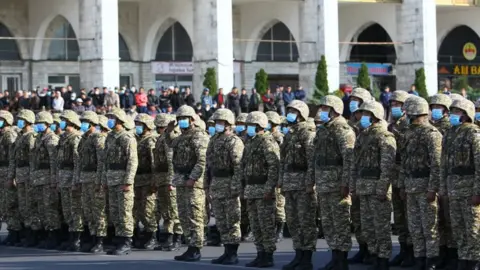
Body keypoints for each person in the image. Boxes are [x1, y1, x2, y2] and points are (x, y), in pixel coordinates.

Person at [351, 100, 396, 270]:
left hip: (377, 188)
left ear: (376, 116)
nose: (363, 117)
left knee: (381, 226)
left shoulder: (385, 136)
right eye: (362, 114)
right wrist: (354, 185)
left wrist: (382, 188)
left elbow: (387, 166)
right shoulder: (363, 135)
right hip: (364, 187)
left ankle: (383, 259)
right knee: (368, 226)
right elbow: (355, 164)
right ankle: (374, 255)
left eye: (367, 114)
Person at [313, 95, 355, 270]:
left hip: (338, 184)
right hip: (323, 183)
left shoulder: (343, 130)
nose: (322, 111)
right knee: (328, 223)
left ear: (335, 110)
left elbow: (349, 160)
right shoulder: (323, 130)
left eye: (325, 108)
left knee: (340, 222)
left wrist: (346, 183)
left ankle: (342, 259)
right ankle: (334, 255)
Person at [400, 96, 442, 270]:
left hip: (426, 186)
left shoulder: (432, 134)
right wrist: (402, 184)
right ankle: (419, 257)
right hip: (411, 186)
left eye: (408, 111)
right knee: (415, 227)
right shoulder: (408, 133)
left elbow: (436, 164)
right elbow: (404, 161)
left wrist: (433, 189)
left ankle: (431, 260)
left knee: (429, 227)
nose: (406, 115)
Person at [440, 98, 480, 270]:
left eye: (457, 111)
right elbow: (444, 164)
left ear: (465, 114)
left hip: (470, 188)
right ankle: (463, 258)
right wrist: (443, 188)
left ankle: (474, 261)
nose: (453, 114)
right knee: (457, 227)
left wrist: (477, 191)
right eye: (453, 110)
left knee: (472, 228)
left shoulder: (474, 134)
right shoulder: (450, 133)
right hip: (453, 188)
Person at [167, 105, 209, 262]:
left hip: (192, 182)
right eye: (179, 119)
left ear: (192, 119)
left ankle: (196, 248)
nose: (182, 121)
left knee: (194, 215)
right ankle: (190, 246)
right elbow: (171, 143)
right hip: (180, 180)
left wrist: (193, 178)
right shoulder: (181, 137)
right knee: (183, 215)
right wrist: (170, 130)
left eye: (184, 118)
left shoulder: (199, 136)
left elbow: (202, 160)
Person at [279, 100, 317, 270]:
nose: (290, 114)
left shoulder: (308, 133)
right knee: (293, 221)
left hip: (303, 184)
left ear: (301, 114)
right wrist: (281, 180)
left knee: (305, 221)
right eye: (289, 110)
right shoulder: (289, 134)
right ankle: (298, 254)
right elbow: (283, 160)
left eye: (294, 111)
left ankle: (307, 258)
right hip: (289, 182)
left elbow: (311, 161)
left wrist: (310, 182)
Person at [242, 111, 280, 268]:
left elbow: (274, 166)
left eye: (250, 125)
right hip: (251, 188)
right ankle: (260, 254)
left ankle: (268, 256)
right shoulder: (250, 142)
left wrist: (269, 188)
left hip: (263, 189)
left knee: (266, 225)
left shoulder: (267, 142)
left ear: (258, 125)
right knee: (255, 225)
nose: (247, 128)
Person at [207, 109, 244, 265]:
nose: (217, 125)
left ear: (228, 123)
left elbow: (238, 167)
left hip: (229, 183)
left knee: (232, 219)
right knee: (221, 220)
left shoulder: (234, 142)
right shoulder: (214, 140)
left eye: (220, 122)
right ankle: (226, 251)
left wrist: (235, 186)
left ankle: (233, 253)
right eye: (216, 122)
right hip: (217, 182)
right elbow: (209, 163)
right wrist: (208, 184)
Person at [103, 108, 139, 255]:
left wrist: (129, 181)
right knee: (115, 211)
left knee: (125, 212)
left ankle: (126, 241)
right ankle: (119, 239)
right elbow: (105, 160)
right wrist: (105, 179)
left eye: (112, 117)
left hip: (123, 180)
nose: (109, 120)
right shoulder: (110, 137)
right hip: (111, 179)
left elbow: (132, 161)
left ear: (119, 121)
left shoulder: (127, 138)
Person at [387, 90, 415, 267]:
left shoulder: (408, 125)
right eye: (393, 104)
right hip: (395, 174)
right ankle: (403, 249)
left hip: (405, 174)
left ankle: (412, 251)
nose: (394, 106)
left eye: (398, 104)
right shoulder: (393, 125)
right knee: (398, 216)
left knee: (408, 215)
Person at [346, 88, 373, 264]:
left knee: (370, 217)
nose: (353, 102)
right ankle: (362, 248)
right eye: (352, 99)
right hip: (352, 174)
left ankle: (373, 250)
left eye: (357, 99)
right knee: (357, 216)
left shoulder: (371, 125)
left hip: (367, 177)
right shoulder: (349, 125)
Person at [76, 111, 107, 253]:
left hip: (95, 178)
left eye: (86, 121)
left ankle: (100, 240)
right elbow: (79, 161)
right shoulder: (84, 138)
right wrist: (78, 179)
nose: (83, 123)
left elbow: (101, 161)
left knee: (98, 211)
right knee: (88, 210)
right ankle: (93, 237)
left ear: (92, 123)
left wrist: (100, 181)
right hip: (85, 178)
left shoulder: (98, 138)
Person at [153, 114, 183, 251]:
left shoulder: (168, 139)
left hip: (168, 178)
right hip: (161, 178)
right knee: (166, 210)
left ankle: (177, 238)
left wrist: (172, 181)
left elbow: (171, 161)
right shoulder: (161, 138)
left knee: (174, 209)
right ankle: (168, 238)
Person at [56, 110, 82, 251]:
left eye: (64, 120)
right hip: (63, 176)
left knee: (75, 208)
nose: (62, 122)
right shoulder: (63, 137)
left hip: (72, 176)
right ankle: (70, 236)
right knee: (67, 209)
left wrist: (76, 181)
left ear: (70, 122)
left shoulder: (75, 138)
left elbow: (78, 162)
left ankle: (77, 239)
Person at [10, 110, 37, 247]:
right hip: (20, 173)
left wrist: (33, 175)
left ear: (27, 121)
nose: (19, 121)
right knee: (23, 205)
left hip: (28, 173)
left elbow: (33, 158)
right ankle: (26, 233)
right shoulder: (21, 136)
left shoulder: (31, 136)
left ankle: (33, 234)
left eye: (21, 119)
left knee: (30, 204)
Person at [132, 113, 159, 250]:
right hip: (137, 179)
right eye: (136, 124)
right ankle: (140, 235)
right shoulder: (136, 140)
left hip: (148, 179)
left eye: (140, 124)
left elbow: (154, 164)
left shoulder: (151, 141)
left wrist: (154, 181)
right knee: (137, 209)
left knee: (148, 209)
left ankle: (152, 236)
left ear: (147, 126)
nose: (137, 127)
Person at [0, 111, 20, 245]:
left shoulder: (10, 135)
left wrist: (11, 176)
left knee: (10, 203)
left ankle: (14, 232)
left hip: (7, 171)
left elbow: (13, 158)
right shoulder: (2, 135)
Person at [265, 111, 285, 242]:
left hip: (277, 173)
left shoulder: (279, 138)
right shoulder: (265, 137)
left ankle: (280, 229)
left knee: (279, 203)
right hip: (267, 174)